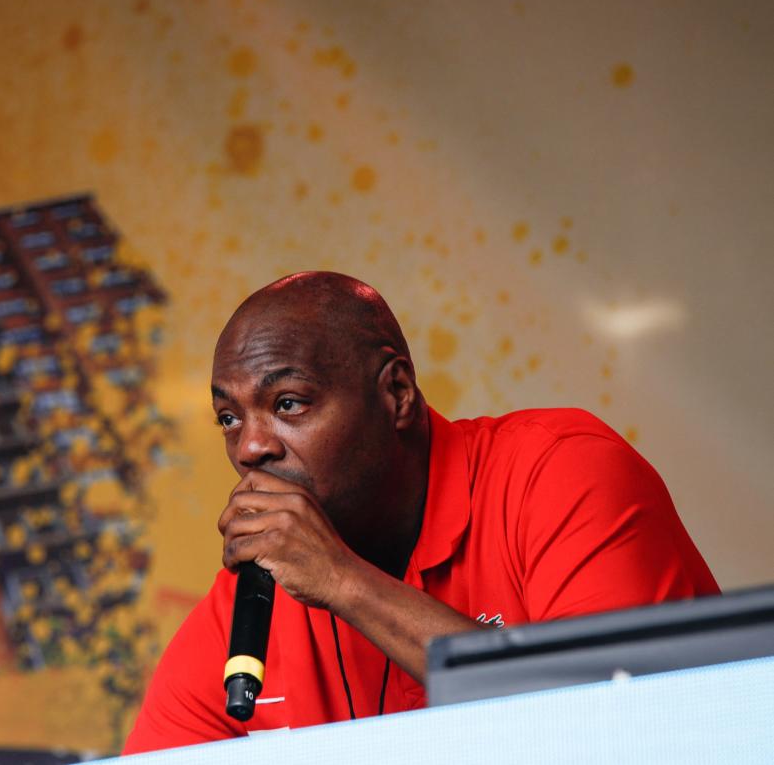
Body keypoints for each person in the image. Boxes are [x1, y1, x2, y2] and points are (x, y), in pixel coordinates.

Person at [123, 271, 718, 753]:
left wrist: (342, 581)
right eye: (230, 418)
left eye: (288, 403)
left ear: (398, 393)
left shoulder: (560, 472)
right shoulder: (247, 603)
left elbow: (618, 730)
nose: (251, 446)